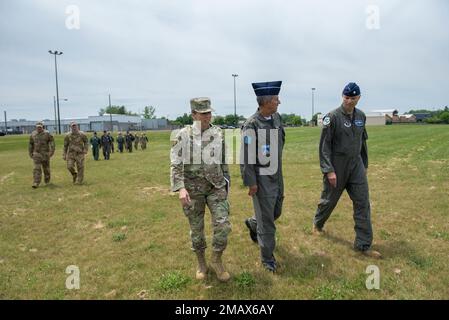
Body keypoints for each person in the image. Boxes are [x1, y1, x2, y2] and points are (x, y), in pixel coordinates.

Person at [312, 82, 381, 259]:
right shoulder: (332, 117)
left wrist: (364, 164)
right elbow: (324, 146)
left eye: (353, 98)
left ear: (358, 98)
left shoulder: (361, 116)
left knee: (363, 202)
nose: (349, 101)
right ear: (342, 96)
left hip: (356, 165)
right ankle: (318, 224)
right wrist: (329, 170)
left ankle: (363, 244)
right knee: (329, 200)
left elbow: (362, 141)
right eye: (346, 97)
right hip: (337, 165)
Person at [170, 97, 231, 282]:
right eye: (203, 113)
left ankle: (216, 260)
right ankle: (201, 262)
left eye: (209, 112)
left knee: (223, 226)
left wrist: (226, 181)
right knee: (196, 230)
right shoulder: (182, 135)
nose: (207, 116)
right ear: (193, 114)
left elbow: (223, 160)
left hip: (216, 187)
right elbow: (175, 163)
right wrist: (180, 188)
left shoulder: (218, 133)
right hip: (193, 190)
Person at [241, 81, 285, 273]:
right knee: (267, 221)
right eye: (276, 99)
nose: (279, 102)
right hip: (261, 178)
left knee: (275, 212)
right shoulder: (251, 125)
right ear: (266, 101)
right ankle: (267, 258)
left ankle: (253, 222)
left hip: (277, 174)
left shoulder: (277, 118)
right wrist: (251, 183)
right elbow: (246, 156)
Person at [28, 121, 55, 188]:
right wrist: (30, 152)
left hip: (45, 154)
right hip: (36, 154)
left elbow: (52, 142)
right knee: (36, 168)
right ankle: (36, 182)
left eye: (40, 127)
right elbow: (31, 144)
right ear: (36, 127)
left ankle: (47, 181)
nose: (39, 128)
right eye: (37, 127)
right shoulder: (33, 134)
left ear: (42, 127)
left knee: (46, 169)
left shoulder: (47, 133)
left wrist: (52, 151)